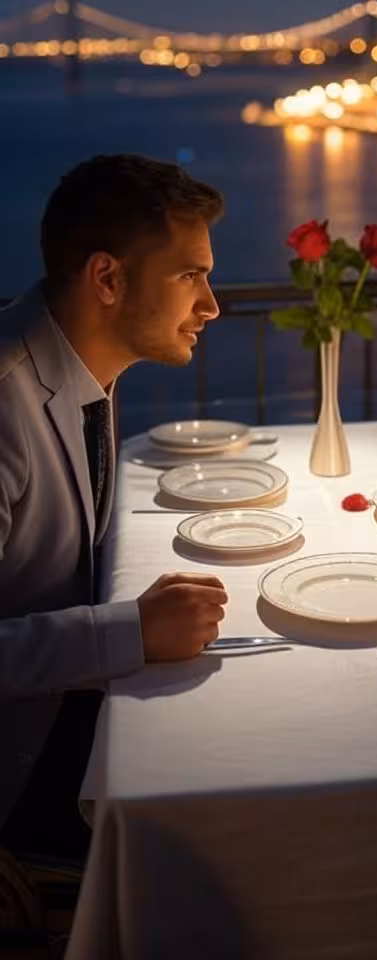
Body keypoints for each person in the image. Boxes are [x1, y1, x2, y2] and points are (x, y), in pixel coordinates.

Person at [0, 155, 229, 858]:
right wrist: (127, 632)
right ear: (107, 278)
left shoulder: (78, 365)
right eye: (190, 275)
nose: (212, 305)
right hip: (21, 777)